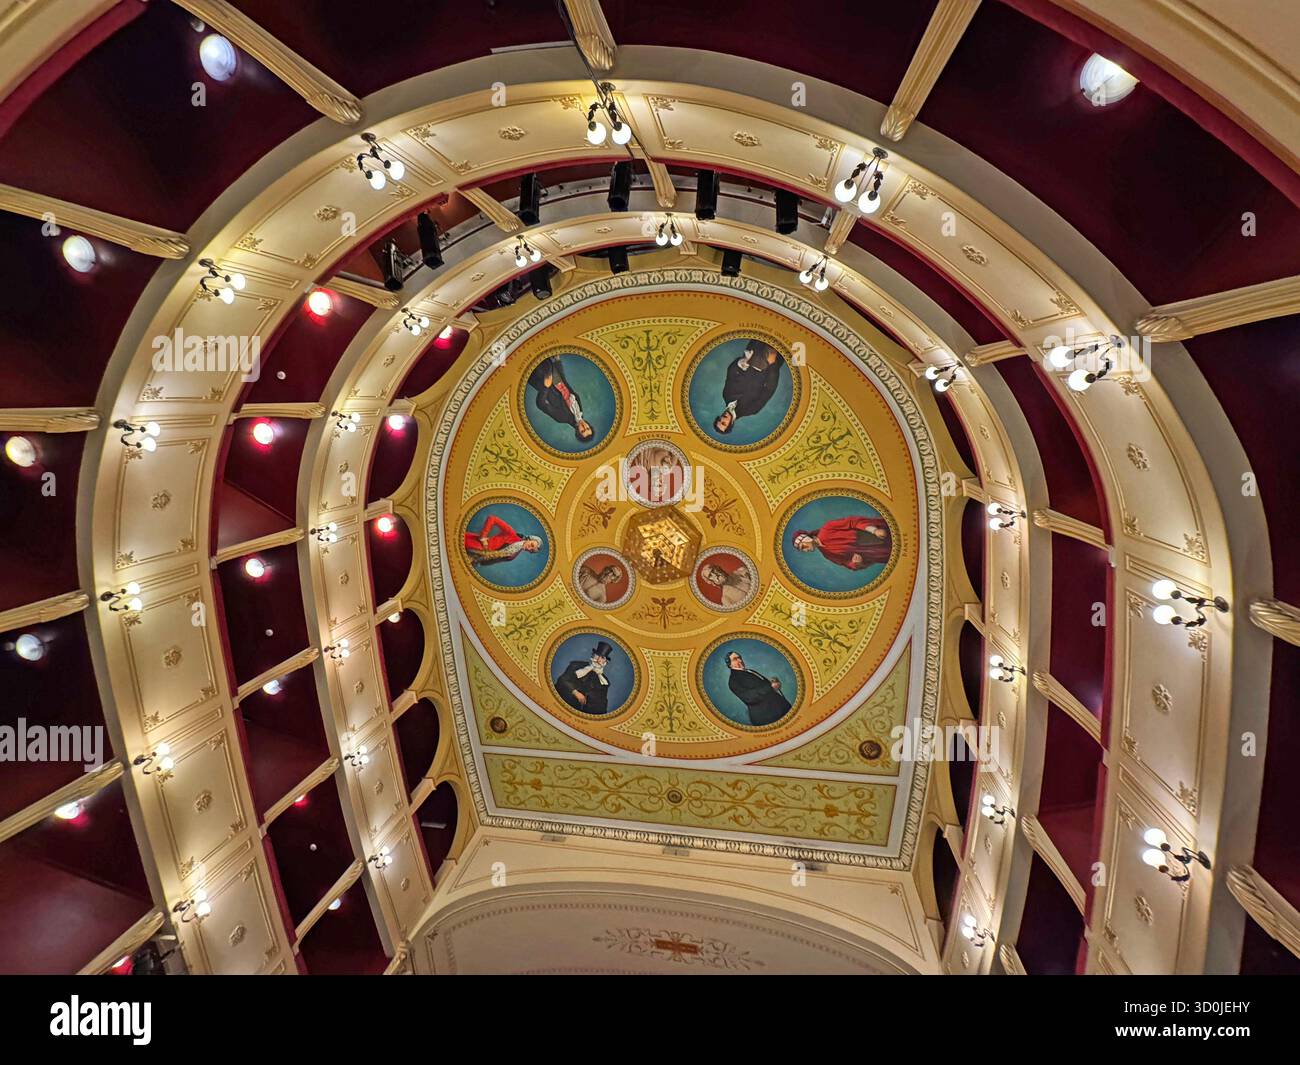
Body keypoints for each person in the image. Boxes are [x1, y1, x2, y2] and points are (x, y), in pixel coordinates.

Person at [714, 341, 784, 435]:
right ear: (731, 424)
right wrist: (773, 365)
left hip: (753, 352)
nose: (722, 418)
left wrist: (742, 362)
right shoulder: (751, 410)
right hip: (769, 363)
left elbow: (731, 372)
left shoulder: (726, 395)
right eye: (723, 423)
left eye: (719, 419)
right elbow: (769, 390)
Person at [527, 355, 594, 443]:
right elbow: (564, 382)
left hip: (540, 377)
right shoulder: (580, 411)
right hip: (554, 372)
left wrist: (545, 387)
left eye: (582, 430)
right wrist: (557, 361)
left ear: (577, 432)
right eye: (588, 428)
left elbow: (541, 404)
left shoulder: (562, 418)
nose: (584, 426)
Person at [792, 515, 890, 570]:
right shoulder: (827, 554)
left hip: (872, 536)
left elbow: (853, 522)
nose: (805, 550)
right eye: (802, 550)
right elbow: (846, 563)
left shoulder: (827, 528)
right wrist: (856, 563)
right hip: (877, 553)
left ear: (806, 538)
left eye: (803, 546)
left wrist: (874, 530)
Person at [725, 650, 791, 726]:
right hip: (767, 716)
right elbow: (748, 698)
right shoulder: (733, 681)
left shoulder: (750, 671)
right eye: (735, 659)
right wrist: (770, 686)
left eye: (739, 657)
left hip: (781, 709)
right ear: (729, 664)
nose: (740, 660)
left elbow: (761, 686)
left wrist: (771, 683)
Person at [463, 513, 542, 567]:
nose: (529, 548)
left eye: (531, 550)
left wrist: (477, 562)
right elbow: (492, 518)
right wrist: (483, 538)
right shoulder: (511, 533)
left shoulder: (513, 556)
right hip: (471, 545)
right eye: (532, 545)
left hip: (472, 560)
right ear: (529, 539)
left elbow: (493, 561)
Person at [555, 641, 614, 713]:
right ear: (593, 655)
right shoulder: (576, 665)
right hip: (564, 705)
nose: (598, 660)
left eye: (602, 658)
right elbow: (562, 680)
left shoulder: (604, 681)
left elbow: (602, 703)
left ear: (605, 662)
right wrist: (575, 692)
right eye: (597, 655)